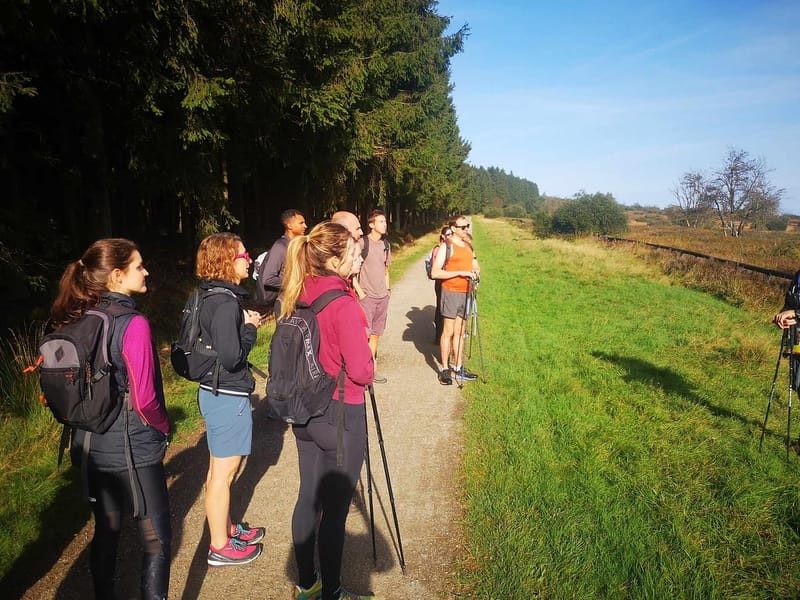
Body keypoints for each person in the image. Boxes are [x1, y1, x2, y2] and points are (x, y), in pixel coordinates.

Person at [52, 238, 171, 599]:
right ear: (117, 276)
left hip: (88, 444)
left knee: (106, 533)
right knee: (156, 542)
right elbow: (146, 397)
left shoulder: (76, 315)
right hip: (131, 448)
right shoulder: (132, 323)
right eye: (139, 266)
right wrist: (164, 429)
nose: (146, 271)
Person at [281, 222, 376, 600]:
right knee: (335, 513)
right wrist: (368, 357)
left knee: (308, 497)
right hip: (341, 416)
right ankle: (332, 592)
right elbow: (361, 370)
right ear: (335, 259)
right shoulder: (343, 305)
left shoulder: (298, 292)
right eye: (353, 252)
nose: (359, 256)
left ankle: (308, 584)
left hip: (304, 411)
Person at [195, 233, 266, 566]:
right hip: (226, 393)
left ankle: (225, 527)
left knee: (217, 471)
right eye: (244, 254)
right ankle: (220, 546)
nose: (248, 259)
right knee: (224, 474)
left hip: (214, 390)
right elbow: (232, 357)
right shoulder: (224, 303)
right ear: (227, 259)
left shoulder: (210, 295)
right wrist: (250, 327)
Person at [430, 215, 479, 385]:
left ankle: (458, 368)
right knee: (448, 332)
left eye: (467, 226)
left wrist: (476, 273)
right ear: (454, 228)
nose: (466, 229)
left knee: (460, 332)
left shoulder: (468, 246)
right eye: (463, 227)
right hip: (450, 292)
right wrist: (459, 273)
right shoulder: (446, 246)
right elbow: (435, 273)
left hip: (466, 293)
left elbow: (474, 264)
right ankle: (444, 369)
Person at [356, 209, 391, 384]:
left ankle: (371, 369)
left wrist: (388, 290)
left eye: (385, 221)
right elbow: (353, 271)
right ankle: (362, 372)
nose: (384, 224)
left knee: (376, 335)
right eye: (381, 221)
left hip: (382, 297)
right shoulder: (363, 243)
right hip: (366, 298)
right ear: (371, 224)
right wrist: (361, 294)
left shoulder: (386, 244)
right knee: (364, 336)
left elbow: (386, 269)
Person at [257, 209, 308, 304]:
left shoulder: (294, 246)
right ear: (289, 226)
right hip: (281, 302)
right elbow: (268, 279)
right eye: (301, 223)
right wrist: (296, 283)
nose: (305, 226)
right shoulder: (280, 246)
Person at [430, 226, 453, 344]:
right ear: (443, 236)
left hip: (450, 280)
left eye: (451, 234)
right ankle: (439, 335)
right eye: (448, 234)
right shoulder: (439, 249)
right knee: (440, 307)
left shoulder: (453, 247)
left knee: (447, 308)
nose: (450, 236)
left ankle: (446, 334)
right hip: (440, 280)